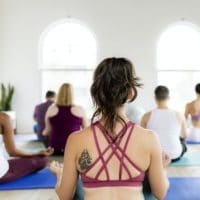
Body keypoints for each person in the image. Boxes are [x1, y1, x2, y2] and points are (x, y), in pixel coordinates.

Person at [49, 57, 169, 200]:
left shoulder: (75, 140)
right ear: (130, 93)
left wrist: (60, 175)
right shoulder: (150, 138)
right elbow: (160, 193)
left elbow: (64, 196)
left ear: (96, 93)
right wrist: (161, 168)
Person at [0, 112, 53, 183]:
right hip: (2, 173)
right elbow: (12, 152)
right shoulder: (3, 118)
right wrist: (38, 153)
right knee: (43, 159)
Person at [141, 85, 187, 162]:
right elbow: (185, 135)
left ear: (155, 98)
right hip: (174, 155)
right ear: (168, 98)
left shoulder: (146, 116)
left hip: (154, 157)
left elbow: (142, 138)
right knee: (182, 142)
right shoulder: (179, 115)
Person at [43, 83, 87, 155]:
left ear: (59, 94)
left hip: (55, 149)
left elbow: (47, 130)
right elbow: (86, 130)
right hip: (74, 149)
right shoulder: (80, 109)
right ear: (72, 94)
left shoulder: (51, 109)